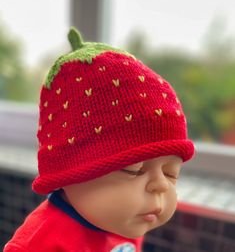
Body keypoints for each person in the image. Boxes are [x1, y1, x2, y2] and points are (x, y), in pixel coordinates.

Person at [4, 27, 195, 252]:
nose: (162, 185)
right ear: (69, 172)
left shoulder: (125, 220)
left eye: (171, 173)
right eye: (134, 169)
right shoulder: (39, 245)